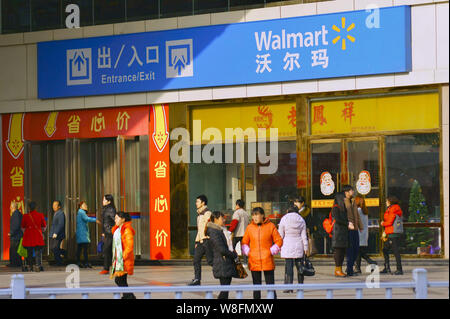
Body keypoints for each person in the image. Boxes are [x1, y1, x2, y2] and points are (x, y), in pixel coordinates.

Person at [241, 207, 283, 299]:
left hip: (267, 260)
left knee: (270, 287)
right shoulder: (249, 227)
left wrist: (271, 251)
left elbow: (279, 240)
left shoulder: (270, 226)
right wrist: (249, 252)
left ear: (262, 215)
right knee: (256, 287)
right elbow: (244, 242)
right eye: (253, 215)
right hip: (254, 261)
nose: (255, 217)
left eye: (257, 215)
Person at [206, 211, 238, 299]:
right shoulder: (214, 232)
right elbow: (221, 249)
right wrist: (233, 255)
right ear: (215, 219)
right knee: (224, 290)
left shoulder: (221, 230)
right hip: (222, 263)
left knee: (225, 290)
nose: (224, 220)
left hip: (226, 263)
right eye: (222, 218)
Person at [278, 205, 309, 292]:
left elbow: (280, 235)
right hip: (299, 245)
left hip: (287, 244)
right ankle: (300, 286)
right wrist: (305, 247)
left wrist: (279, 246)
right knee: (300, 267)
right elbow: (304, 235)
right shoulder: (301, 220)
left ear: (288, 210)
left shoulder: (284, 219)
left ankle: (289, 287)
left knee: (289, 267)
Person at [188, 194, 213, 286]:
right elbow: (200, 230)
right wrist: (196, 241)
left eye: (197, 202)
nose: (196, 203)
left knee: (211, 261)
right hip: (200, 242)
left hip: (206, 241)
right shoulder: (199, 215)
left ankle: (224, 274)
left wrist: (209, 238)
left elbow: (209, 226)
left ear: (203, 203)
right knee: (196, 260)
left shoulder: (207, 213)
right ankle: (197, 279)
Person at [110, 211, 136, 299]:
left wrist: (122, 258)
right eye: (115, 218)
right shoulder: (118, 230)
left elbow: (129, 246)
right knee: (121, 281)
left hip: (124, 260)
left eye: (117, 218)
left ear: (123, 219)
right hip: (120, 260)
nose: (115, 220)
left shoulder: (127, 230)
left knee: (119, 280)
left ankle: (129, 296)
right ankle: (128, 296)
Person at [343, 185, 363, 276]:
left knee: (356, 249)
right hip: (348, 229)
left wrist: (360, 226)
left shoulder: (353, 201)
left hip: (355, 229)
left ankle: (349, 267)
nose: (353, 192)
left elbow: (357, 215)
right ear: (346, 192)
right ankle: (350, 270)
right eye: (351, 190)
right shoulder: (343, 201)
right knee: (350, 250)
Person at [380, 196, 404, 275]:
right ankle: (387, 267)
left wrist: (383, 223)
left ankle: (399, 269)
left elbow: (390, 222)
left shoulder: (393, 209)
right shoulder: (391, 208)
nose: (386, 202)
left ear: (390, 201)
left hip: (393, 233)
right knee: (385, 249)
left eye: (387, 201)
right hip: (390, 232)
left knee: (395, 251)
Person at [21, 201, 46, 272]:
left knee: (29, 252)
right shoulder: (40, 215)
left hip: (28, 237)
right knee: (38, 252)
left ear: (29, 208)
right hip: (37, 237)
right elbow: (44, 226)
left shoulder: (25, 216)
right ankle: (38, 265)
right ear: (36, 207)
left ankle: (30, 266)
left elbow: (22, 227)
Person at [354, 195, 377, 274]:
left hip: (358, 233)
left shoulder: (358, 211)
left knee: (358, 252)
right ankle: (358, 267)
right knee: (360, 252)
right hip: (363, 234)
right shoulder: (365, 211)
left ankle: (371, 263)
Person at [76, 201, 100, 268]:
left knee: (80, 249)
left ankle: (79, 262)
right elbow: (86, 219)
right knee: (85, 249)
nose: (86, 206)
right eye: (84, 205)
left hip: (81, 233)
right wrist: (95, 220)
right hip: (83, 234)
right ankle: (86, 262)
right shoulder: (81, 212)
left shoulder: (80, 212)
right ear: (80, 207)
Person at [332, 192, 348, 277]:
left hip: (342, 232)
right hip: (337, 233)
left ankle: (339, 269)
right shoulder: (336, 208)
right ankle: (337, 269)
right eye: (344, 198)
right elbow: (337, 219)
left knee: (342, 252)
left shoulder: (343, 208)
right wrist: (347, 223)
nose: (345, 199)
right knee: (338, 252)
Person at [228, 199, 249, 266]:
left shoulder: (237, 213)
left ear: (237, 205)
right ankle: (245, 262)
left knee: (231, 247)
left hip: (237, 233)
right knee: (244, 248)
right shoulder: (246, 213)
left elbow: (234, 222)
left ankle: (235, 259)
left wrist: (230, 231)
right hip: (245, 233)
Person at [100, 194, 116, 275]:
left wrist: (113, 230)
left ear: (109, 201)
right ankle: (110, 268)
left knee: (107, 250)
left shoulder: (110, 209)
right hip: (107, 232)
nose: (103, 201)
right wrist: (103, 232)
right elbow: (104, 222)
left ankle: (107, 268)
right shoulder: (106, 209)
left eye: (104, 200)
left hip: (111, 233)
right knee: (108, 250)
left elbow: (115, 220)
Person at [49, 200, 66, 266]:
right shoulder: (55, 213)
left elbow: (61, 224)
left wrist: (56, 232)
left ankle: (59, 262)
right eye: (53, 205)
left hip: (58, 234)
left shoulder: (60, 213)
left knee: (55, 248)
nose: (53, 206)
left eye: (55, 205)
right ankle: (63, 254)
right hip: (52, 234)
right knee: (52, 248)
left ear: (59, 206)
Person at [7, 201, 23, 268]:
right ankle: (18, 263)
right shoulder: (18, 213)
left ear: (13, 207)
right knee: (16, 250)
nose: (10, 207)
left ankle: (14, 263)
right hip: (17, 235)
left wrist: (11, 232)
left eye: (10, 206)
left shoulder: (16, 214)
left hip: (15, 236)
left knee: (14, 250)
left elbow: (16, 225)